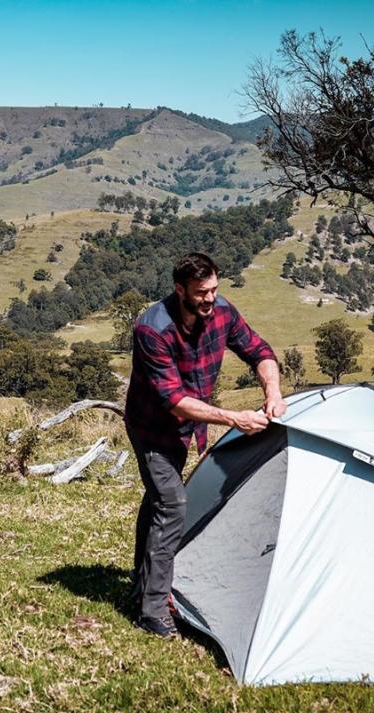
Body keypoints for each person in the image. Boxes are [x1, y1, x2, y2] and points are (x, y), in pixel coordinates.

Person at [125, 252, 286, 638]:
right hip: (153, 429)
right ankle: (152, 611)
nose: (209, 299)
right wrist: (235, 418)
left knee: (159, 502)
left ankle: (141, 583)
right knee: (172, 504)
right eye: (200, 293)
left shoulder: (223, 313)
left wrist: (273, 390)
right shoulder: (153, 329)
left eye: (214, 289)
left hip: (187, 428)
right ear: (179, 289)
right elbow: (175, 400)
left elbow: (259, 352)